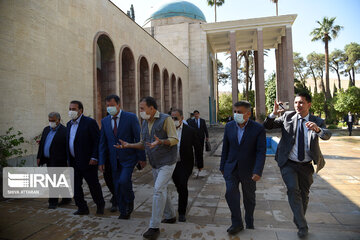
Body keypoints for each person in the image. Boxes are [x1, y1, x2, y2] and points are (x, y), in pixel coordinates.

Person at [263, 92, 332, 238]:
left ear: (309, 104)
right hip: (288, 163)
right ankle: (302, 226)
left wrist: (317, 129)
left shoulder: (317, 121)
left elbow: (327, 134)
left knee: (304, 195)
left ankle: (298, 216)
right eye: (295, 103)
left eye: (301, 102)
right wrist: (273, 114)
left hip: (306, 165)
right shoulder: (287, 117)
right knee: (293, 190)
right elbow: (267, 127)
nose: (297, 105)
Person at [114, 96, 178, 240]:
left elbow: (174, 139)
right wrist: (128, 145)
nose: (140, 111)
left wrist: (161, 141)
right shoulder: (144, 122)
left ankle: (154, 227)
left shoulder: (165, 119)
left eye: (142, 108)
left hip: (168, 162)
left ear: (152, 108)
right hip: (155, 163)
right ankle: (171, 216)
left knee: (157, 190)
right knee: (163, 189)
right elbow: (144, 143)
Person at [220, 101, 266, 235]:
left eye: (239, 112)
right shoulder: (229, 127)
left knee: (249, 198)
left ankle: (249, 221)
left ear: (248, 114)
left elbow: (260, 151)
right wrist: (222, 166)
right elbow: (225, 148)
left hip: (249, 170)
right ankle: (237, 223)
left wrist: (258, 171)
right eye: (234, 111)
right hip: (231, 168)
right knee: (230, 194)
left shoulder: (258, 129)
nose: (236, 114)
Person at [98, 94, 146, 219]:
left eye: (112, 105)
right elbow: (102, 143)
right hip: (113, 160)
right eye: (107, 106)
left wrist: (142, 158)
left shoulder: (130, 118)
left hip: (128, 157)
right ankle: (123, 211)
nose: (110, 108)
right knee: (117, 186)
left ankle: (130, 199)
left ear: (119, 105)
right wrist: (101, 161)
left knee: (124, 181)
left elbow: (138, 139)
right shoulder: (105, 121)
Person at [66, 100, 105, 215]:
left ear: (80, 110)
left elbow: (97, 141)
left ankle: (100, 204)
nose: (71, 111)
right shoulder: (68, 124)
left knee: (93, 185)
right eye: (70, 109)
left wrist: (94, 157)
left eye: (73, 109)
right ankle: (82, 207)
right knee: (75, 186)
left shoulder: (89, 122)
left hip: (88, 161)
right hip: (74, 162)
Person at [170, 108, 203, 222]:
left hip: (185, 163)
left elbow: (198, 148)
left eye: (176, 118)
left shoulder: (190, 131)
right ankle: (181, 197)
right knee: (178, 185)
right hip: (172, 163)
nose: (173, 120)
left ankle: (182, 212)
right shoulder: (167, 131)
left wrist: (199, 164)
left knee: (183, 184)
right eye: (172, 118)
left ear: (182, 118)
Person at [37, 112, 71, 209]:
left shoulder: (65, 131)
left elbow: (67, 147)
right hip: (48, 159)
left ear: (58, 120)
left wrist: (68, 160)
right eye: (49, 120)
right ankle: (67, 198)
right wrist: (39, 157)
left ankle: (53, 202)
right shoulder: (46, 130)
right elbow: (42, 144)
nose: (51, 122)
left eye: (53, 121)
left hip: (59, 160)